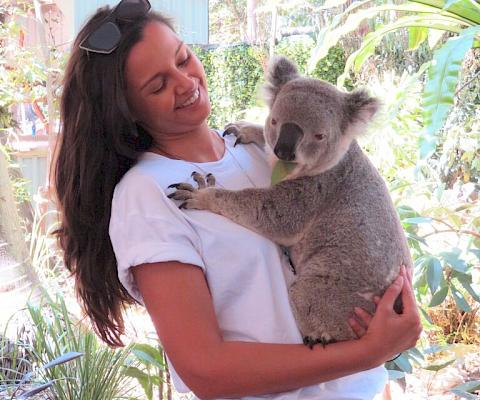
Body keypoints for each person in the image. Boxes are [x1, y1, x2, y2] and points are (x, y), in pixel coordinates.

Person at [53, 0, 422, 399]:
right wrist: (364, 353)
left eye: (183, 58)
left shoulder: (255, 149)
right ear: (125, 109)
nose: (185, 82)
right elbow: (206, 370)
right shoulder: (146, 194)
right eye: (158, 85)